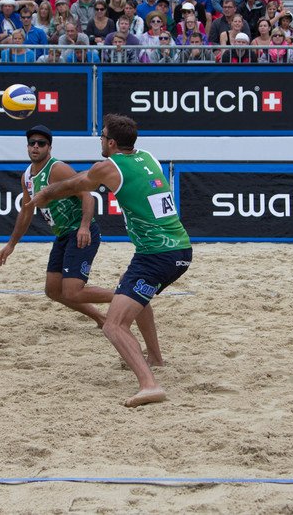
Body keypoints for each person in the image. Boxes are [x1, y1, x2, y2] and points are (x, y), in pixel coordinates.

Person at [28, 114, 192, 407]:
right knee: (132, 292)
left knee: (113, 325)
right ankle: (155, 358)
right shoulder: (148, 157)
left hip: (155, 255)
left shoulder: (108, 167)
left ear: (112, 142)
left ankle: (149, 385)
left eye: (102, 137)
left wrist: (46, 193)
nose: (100, 141)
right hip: (181, 250)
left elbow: (75, 185)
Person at [0, 124, 114, 328]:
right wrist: (11, 244)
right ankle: (101, 318)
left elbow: (87, 196)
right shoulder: (27, 176)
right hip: (62, 235)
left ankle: (127, 296)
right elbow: (26, 212)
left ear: (49, 148)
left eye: (41, 143)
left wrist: (84, 226)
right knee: (53, 290)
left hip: (80, 232)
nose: (36, 146)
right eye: (32, 143)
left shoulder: (57, 168)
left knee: (72, 290)